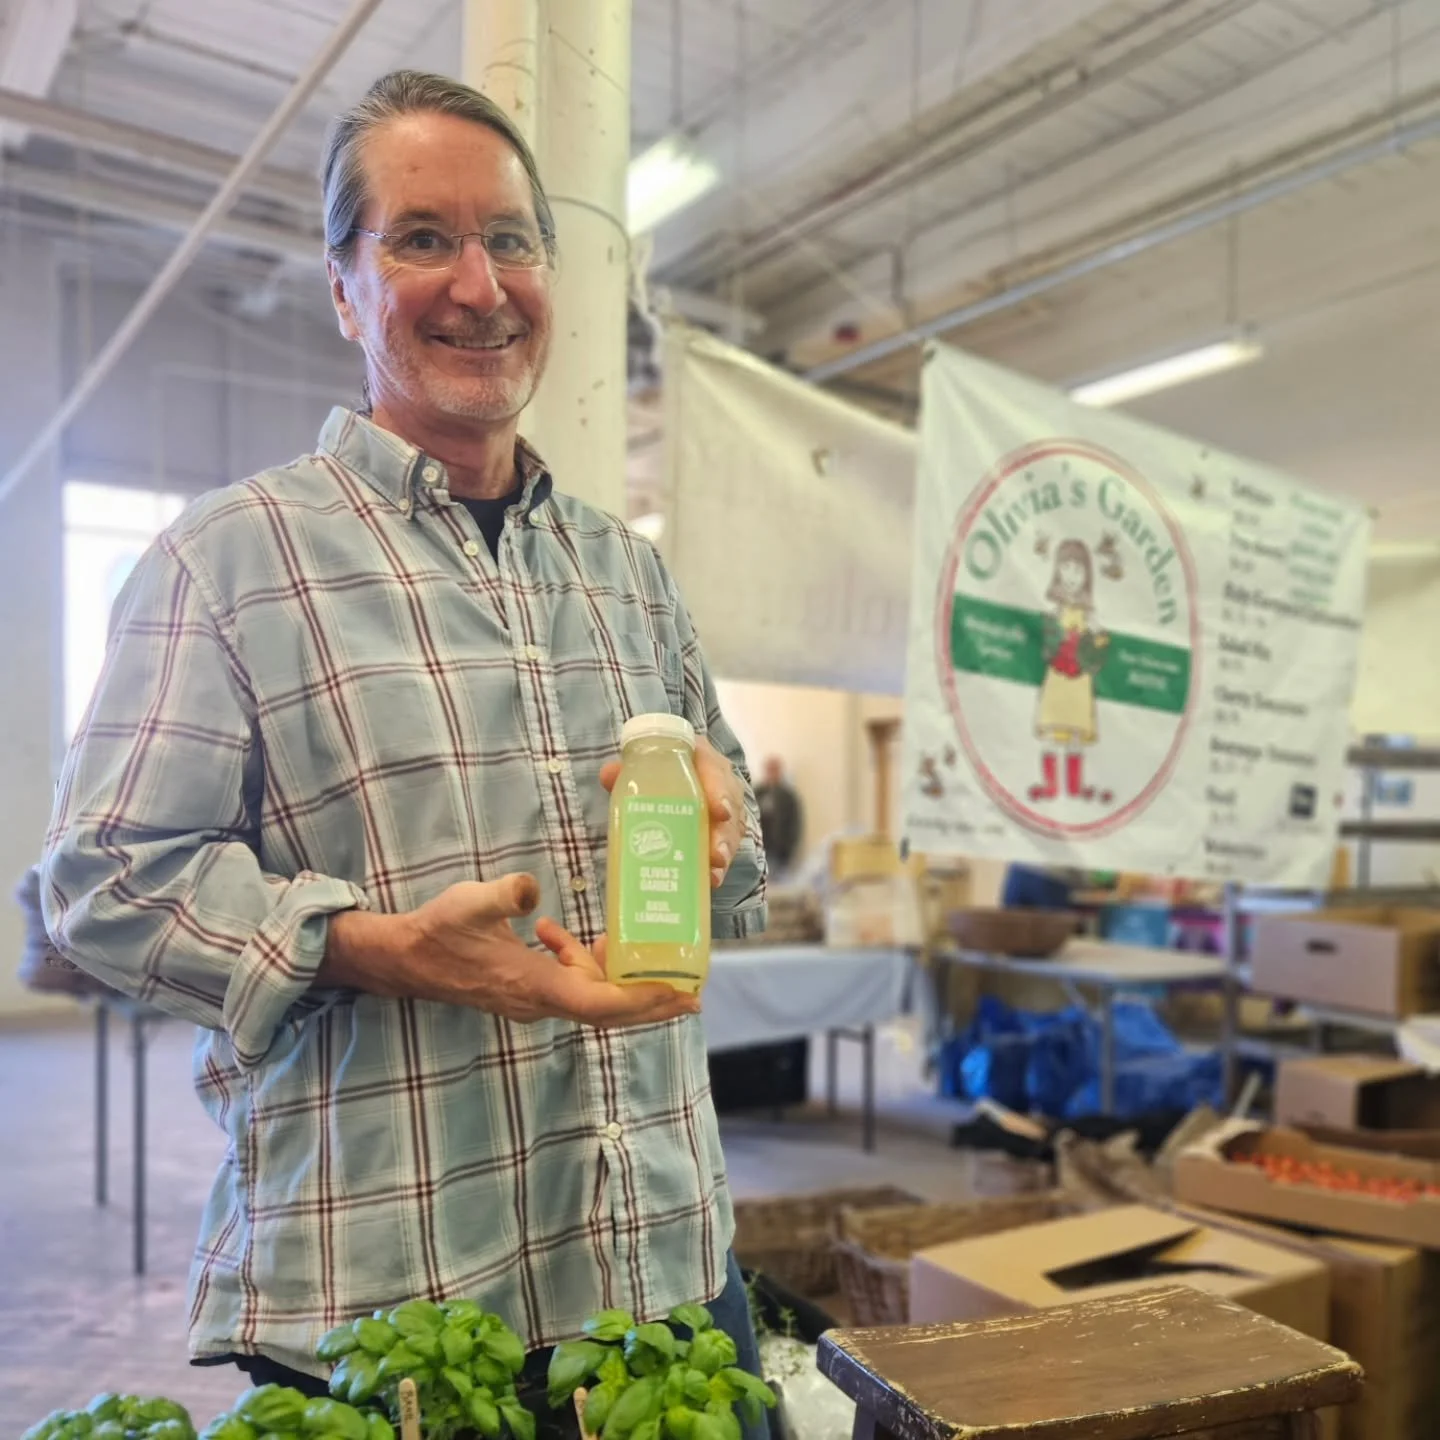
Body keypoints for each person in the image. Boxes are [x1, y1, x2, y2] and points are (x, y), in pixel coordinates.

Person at [40, 70, 768, 1434]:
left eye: (512, 239)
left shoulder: (628, 573)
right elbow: (101, 884)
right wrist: (369, 946)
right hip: (399, 1312)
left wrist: (725, 828)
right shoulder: (232, 559)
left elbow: (729, 879)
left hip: (663, 1267)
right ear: (341, 286)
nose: (479, 284)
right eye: (423, 238)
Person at [754, 757, 802, 876]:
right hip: (759, 851)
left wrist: (789, 849)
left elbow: (795, 824)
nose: (771, 773)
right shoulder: (757, 793)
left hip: (780, 853)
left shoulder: (788, 796)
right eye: (769, 770)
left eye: (774, 770)